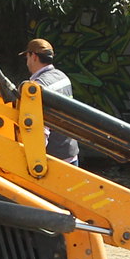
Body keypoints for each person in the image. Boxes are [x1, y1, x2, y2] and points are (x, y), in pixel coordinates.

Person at [21, 37, 81, 165]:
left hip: (54, 161)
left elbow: (42, 128)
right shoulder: (62, 77)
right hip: (71, 154)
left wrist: (33, 159)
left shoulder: (37, 87)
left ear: (34, 57)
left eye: (27, 57)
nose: (27, 62)